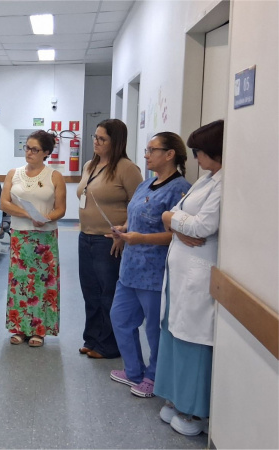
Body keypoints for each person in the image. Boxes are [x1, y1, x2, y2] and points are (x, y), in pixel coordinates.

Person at [107, 132, 191, 398]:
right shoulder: (146, 184)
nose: (146, 155)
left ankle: (154, 377)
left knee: (154, 328)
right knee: (120, 318)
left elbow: (178, 234)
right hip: (130, 269)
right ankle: (133, 371)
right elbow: (136, 215)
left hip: (154, 272)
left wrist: (141, 238)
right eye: (146, 150)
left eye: (152, 150)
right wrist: (124, 229)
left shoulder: (180, 190)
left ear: (170, 154)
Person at [154, 119, 224, 436]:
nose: (195, 157)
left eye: (198, 151)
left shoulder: (223, 184)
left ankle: (194, 413)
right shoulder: (207, 179)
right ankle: (176, 399)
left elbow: (202, 227)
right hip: (180, 272)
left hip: (198, 274)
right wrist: (172, 219)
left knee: (193, 341)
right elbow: (179, 218)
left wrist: (172, 218)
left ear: (212, 150)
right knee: (174, 333)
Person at [76, 119, 143, 359]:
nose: (96, 142)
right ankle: (92, 339)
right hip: (86, 237)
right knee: (90, 292)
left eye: (102, 139)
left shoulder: (127, 168)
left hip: (109, 240)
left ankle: (109, 345)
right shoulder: (90, 165)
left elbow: (138, 206)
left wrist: (124, 233)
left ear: (116, 142)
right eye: (95, 137)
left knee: (108, 293)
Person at [0, 130, 66, 347]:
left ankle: (39, 330)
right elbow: (4, 203)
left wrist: (46, 218)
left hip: (45, 238)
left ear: (46, 152)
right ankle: (19, 327)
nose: (28, 152)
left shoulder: (54, 176)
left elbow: (61, 209)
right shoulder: (14, 174)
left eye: (34, 149)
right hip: (21, 236)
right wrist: (29, 215)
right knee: (20, 282)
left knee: (42, 283)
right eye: (27, 147)